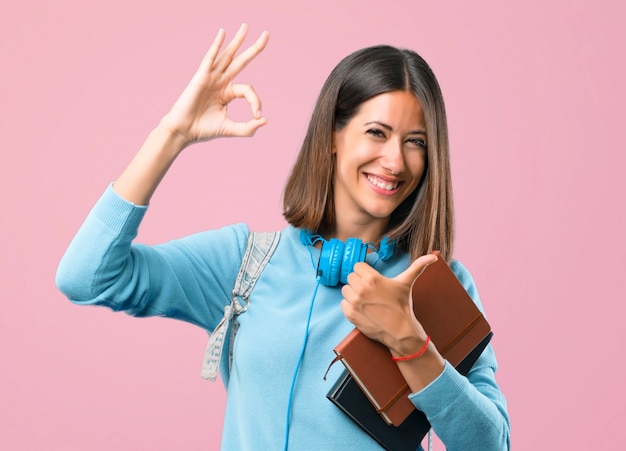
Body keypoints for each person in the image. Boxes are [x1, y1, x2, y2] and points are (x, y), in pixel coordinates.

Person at [56, 24, 510, 450]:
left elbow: (492, 443)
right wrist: (171, 134)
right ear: (333, 134)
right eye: (377, 132)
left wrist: (411, 343)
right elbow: (87, 277)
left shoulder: (434, 286)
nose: (395, 160)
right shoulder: (245, 263)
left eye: (416, 142)